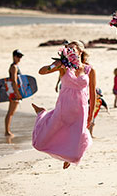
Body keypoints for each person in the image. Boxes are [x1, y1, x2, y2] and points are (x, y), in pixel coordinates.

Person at [31, 41, 96, 169]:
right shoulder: (63, 67)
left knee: (78, 138)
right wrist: (55, 65)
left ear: (80, 51)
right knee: (47, 136)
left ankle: (68, 157)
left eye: (72, 48)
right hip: (64, 106)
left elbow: (93, 94)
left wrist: (91, 114)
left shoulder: (89, 70)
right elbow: (42, 71)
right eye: (68, 49)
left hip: (81, 108)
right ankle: (41, 113)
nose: (70, 50)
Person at [4, 50, 24, 137]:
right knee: (10, 112)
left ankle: (7, 131)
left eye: (20, 56)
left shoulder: (15, 66)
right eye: (18, 56)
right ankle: (7, 131)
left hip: (13, 91)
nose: (19, 58)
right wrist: (17, 93)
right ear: (14, 56)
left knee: (11, 112)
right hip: (14, 92)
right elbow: (14, 81)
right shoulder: (14, 67)